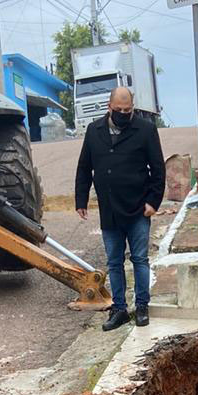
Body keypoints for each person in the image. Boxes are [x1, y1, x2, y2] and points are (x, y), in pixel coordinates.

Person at [75, 87, 166, 331]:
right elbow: (84, 167)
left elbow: (158, 169)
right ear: (109, 107)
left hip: (138, 209)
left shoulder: (145, 129)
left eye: (128, 110)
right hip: (110, 210)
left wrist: (153, 202)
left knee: (139, 259)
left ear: (133, 108)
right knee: (114, 262)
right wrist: (81, 200)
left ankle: (142, 306)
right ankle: (119, 309)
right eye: (119, 110)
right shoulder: (95, 131)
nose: (124, 114)